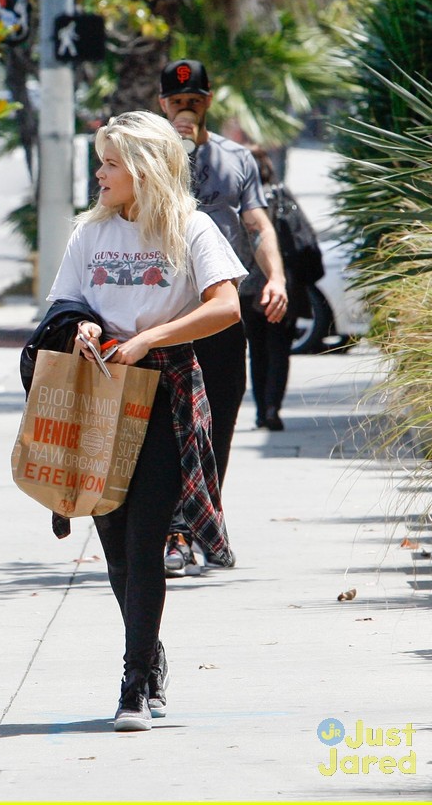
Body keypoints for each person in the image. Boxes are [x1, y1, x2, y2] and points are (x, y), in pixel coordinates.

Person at [45, 111, 243, 731]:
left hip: (162, 394)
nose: (99, 173)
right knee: (115, 550)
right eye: (100, 161)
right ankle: (149, 653)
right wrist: (80, 324)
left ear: (144, 169)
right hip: (99, 396)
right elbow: (62, 302)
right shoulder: (90, 233)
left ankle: (133, 683)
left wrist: (148, 338)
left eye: (110, 163)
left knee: (145, 541)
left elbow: (227, 306)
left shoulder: (192, 228)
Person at [157, 58, 288, 573]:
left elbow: (258, 225)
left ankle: (202, 523)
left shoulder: (237, 160)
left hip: (222, 316)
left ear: (207, 101)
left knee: (218, 427)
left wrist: (275, 278)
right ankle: (174, 532)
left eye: (194, 100)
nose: (185, 108)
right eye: (175, 102)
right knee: (169, 429)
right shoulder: (148, 158)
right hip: (165, 315)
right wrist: (171, 151)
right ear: (162, 103)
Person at [244, 145, 314, 431]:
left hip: (247, 287)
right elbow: (305, 239)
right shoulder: (281, 194)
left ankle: (262, 410)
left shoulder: (239, 201)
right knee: (278, 350)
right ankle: (273, 407)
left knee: (257, 350)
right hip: (282, 284)